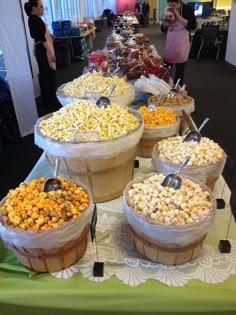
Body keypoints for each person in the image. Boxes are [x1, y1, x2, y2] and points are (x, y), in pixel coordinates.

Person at [24, 0, 59, 111]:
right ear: (33, 8)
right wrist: (50, 52)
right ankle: (51, 103)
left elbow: (39, 36)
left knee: (45, 75)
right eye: (40, 7)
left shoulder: (33, 19)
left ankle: (47, 101)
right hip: (43, 51)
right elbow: (42, 39)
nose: (42, 9)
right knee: (48, 76)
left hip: (41, 49)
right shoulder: (35, 19)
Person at [161, 0, 196, 86]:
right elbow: (163, 29)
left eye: (174, 5)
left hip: (181, 43)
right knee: (166, 69)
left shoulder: (187, 10)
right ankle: (164, 87)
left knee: (180, 70)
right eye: (169, 4)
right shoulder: (168, 10)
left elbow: (193, 26)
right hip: (171, 43)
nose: (172, 7)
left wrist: (179, 17)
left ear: (179, 2)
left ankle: (177, 90)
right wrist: (165, 23)